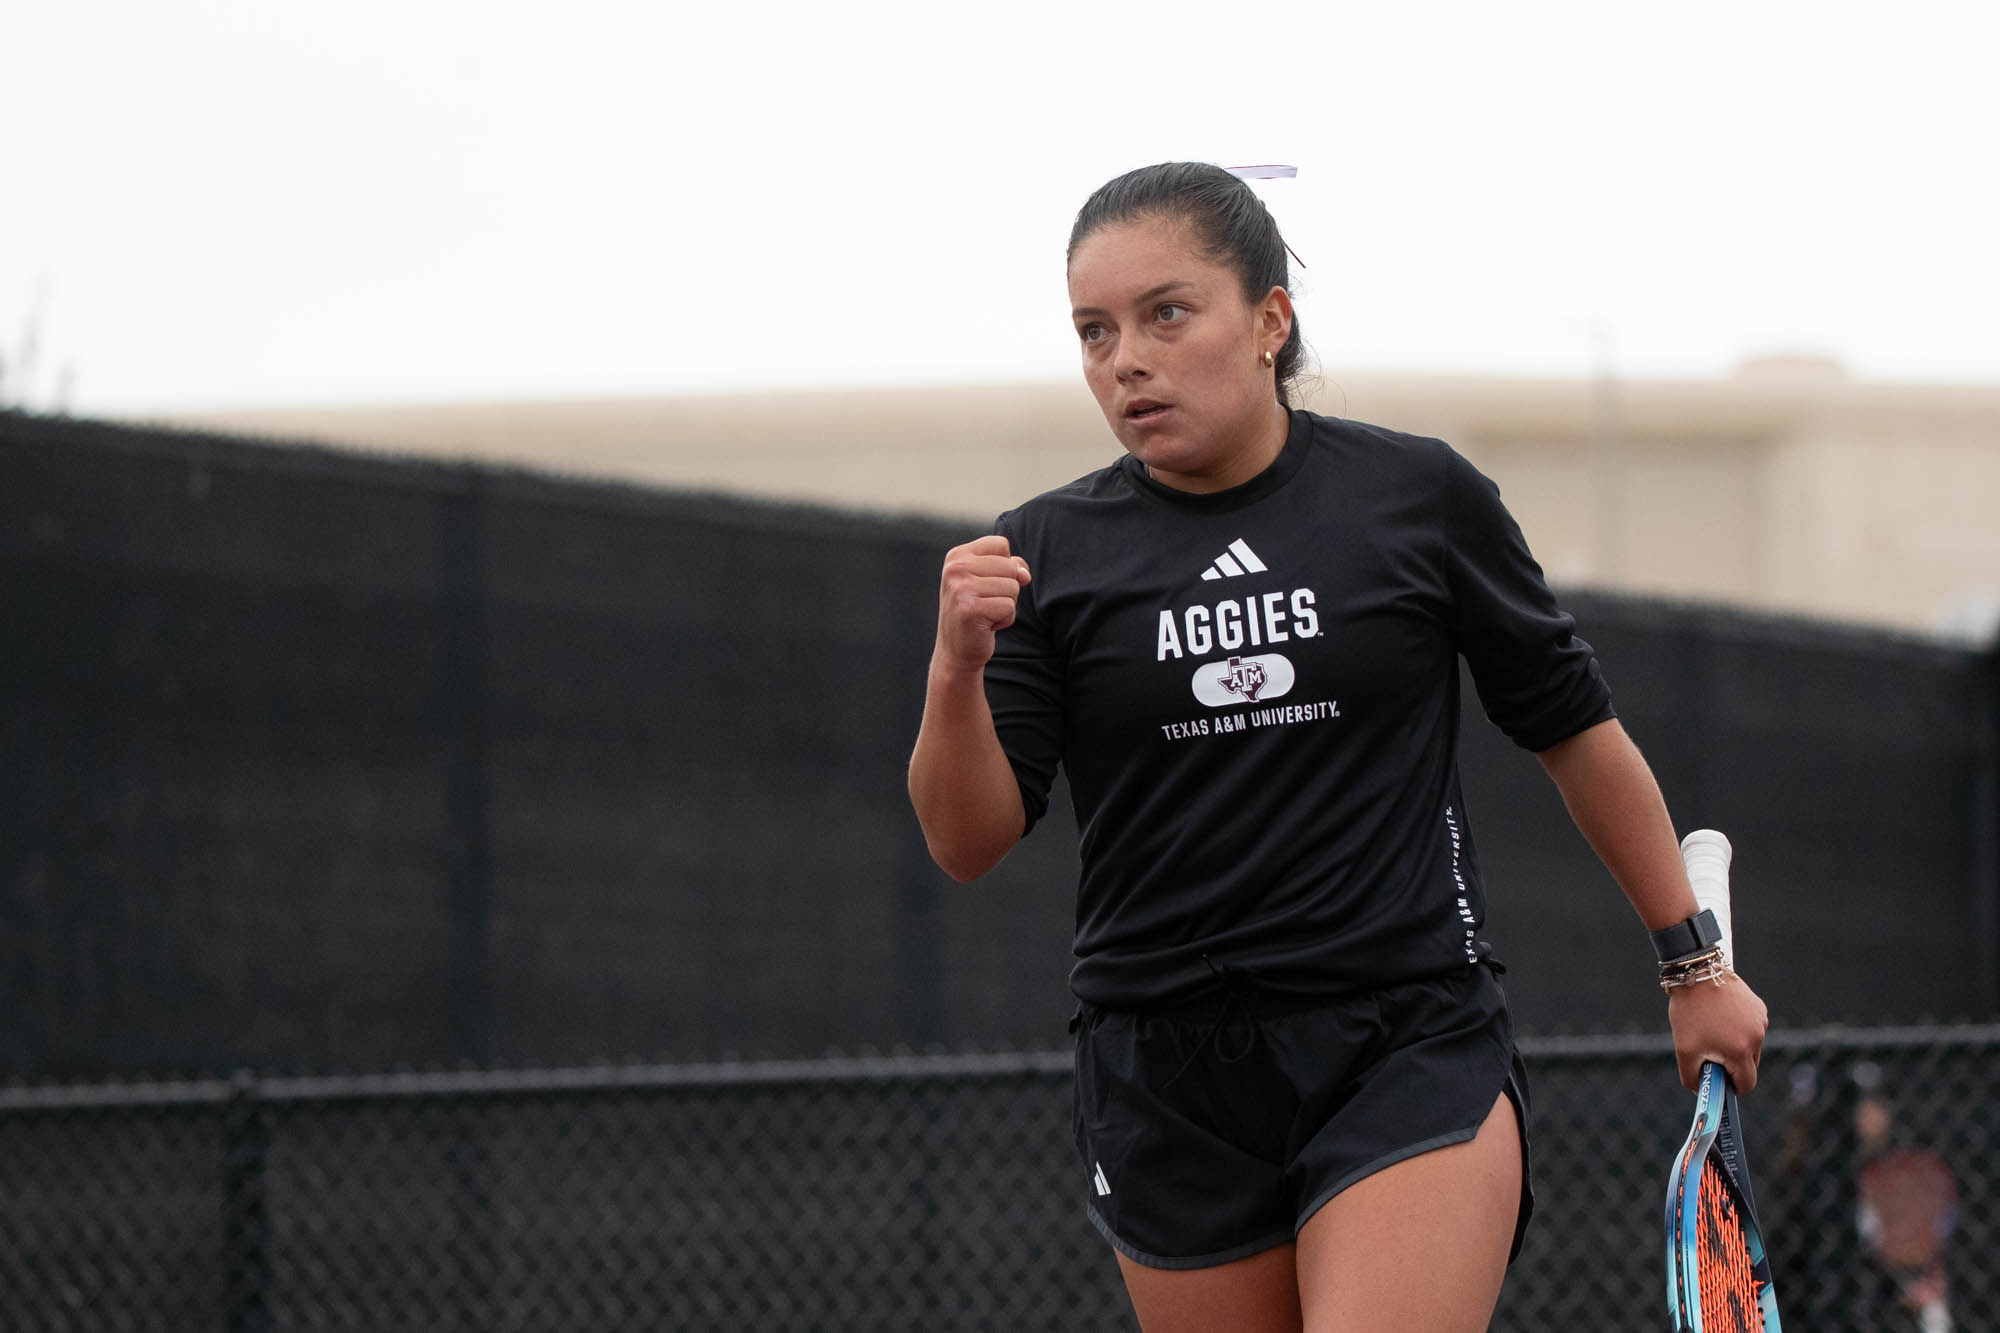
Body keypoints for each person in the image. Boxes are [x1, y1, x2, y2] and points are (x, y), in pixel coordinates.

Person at [906, 161, 1768, 1333]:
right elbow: (964, 840)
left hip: (1404, 1043)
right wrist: (955, 667)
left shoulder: (1417, 498)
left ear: (1269, 321)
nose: (1126, 359)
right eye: (1093, 330)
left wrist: (1693, 970)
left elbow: (1574, 734)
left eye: (1166, 313)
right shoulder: (1039, 556)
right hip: (1163, 1079)